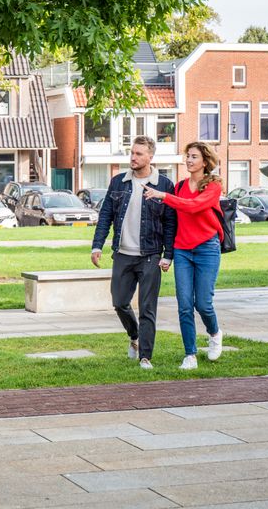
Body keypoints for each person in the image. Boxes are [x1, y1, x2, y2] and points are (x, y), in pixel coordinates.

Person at [91, 135, 176, 369]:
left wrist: (168, 254)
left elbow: (170, 223)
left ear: (150, 156)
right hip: (123, 253)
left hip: (150, 255)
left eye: (139, 153)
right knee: (119, 302)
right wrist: (97, 245)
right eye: (132, 153)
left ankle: (145, 357)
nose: (133, 157)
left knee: (148, 307)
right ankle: (134, 336)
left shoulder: (164, 185)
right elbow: (105, 215)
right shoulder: (119, 182)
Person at [144, 141, 224, 368]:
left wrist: (163, 196)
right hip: (182, 251)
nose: (189, 160)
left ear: (205, 161)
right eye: (188, 156)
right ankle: (190, 354)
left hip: (207, 248)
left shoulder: (213, 186)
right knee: (185, 304)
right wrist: (167, 254)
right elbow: (172, 222)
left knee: (204, 304)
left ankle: (215, 333)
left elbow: (193, 206)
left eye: (194, 157)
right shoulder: (179, 187)